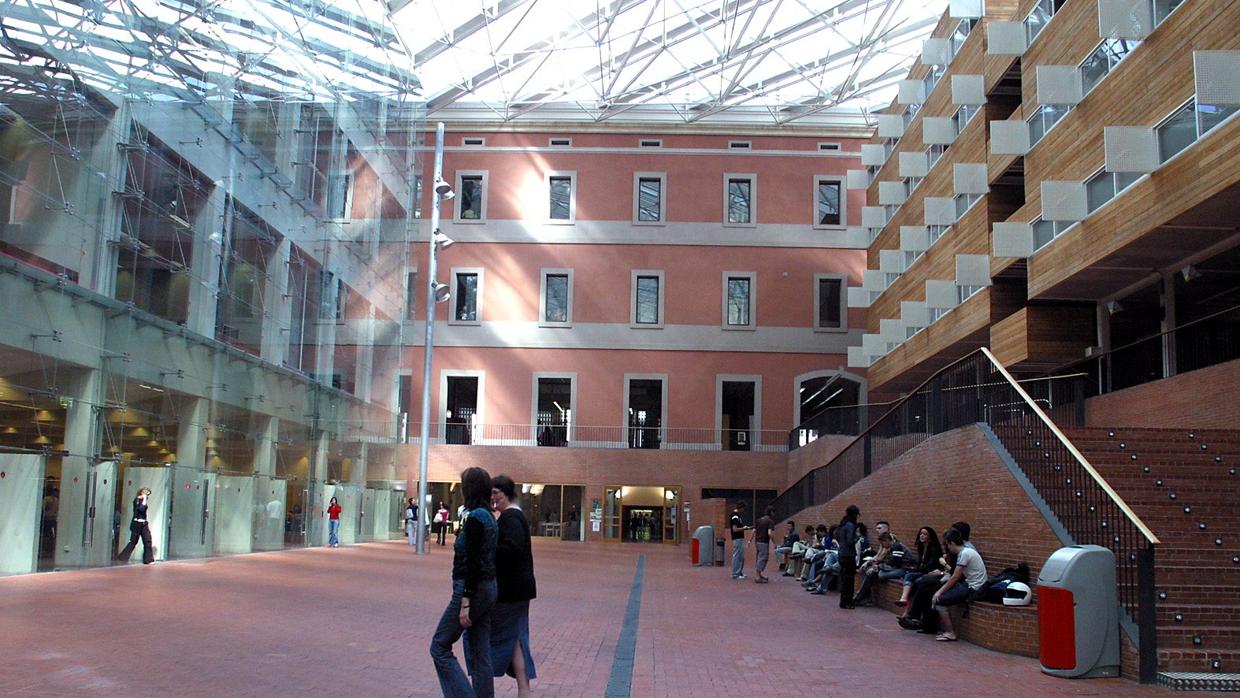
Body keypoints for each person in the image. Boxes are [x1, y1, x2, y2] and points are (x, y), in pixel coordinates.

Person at [430, 467, 498, 697]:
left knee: (439, 646)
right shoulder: (488, 516)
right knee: (481, 652)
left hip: (472, 590)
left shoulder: (477, 518)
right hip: (488, 589)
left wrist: (465, 600)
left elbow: (473, 563)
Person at [489, 475, 537, 697]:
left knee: (511, 637)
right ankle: (523, 687)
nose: (493, 497)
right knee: (516, 637)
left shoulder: (511, 518)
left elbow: (513, 550)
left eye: (496, 492)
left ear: (506, 493)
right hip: (517, 589)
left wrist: (488, 546)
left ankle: (524, 687)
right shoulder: (512, 516)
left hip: (511, 590)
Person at [931, 528, 988, 642]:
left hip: (974, 587)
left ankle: (950, 632)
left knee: (939, 600)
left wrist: (939, 592)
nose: (948, 549)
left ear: (951, 543)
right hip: (971, 583)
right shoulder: (968, 551)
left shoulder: (964, 554)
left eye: (947, 545)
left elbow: (955, 577)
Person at [897, 526, 944, 607]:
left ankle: (910, 610)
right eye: (921, 534)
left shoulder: (934, 549)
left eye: (925, 534)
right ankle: (903, 599)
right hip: (922, 571)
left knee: (916, 582)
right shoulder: (921, 547)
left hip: (930, 573)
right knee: (908, 575)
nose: (922, 536)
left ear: (930, 537)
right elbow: (920, 563)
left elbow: (930, 566)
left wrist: (917, 569)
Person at [117, 487, 155, 565]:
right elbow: (141, 509)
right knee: (133, 541)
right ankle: (123, 557)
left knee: (147, 540)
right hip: (137, 523)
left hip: (144, 523)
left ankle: (148, 559)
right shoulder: (137, 500)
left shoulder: (144, 500)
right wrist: (144, 499)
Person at [835, 504, 860, 609]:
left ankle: (843, 601)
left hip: (841, 553)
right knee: (849, 579)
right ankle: (848, 602)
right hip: (848, 555)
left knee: (844, 578)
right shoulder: (850, 525)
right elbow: (850, 541)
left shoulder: (842, 524)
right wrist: (857, 536)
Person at [729, 501, 752, 580]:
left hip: (739, 538)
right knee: (737, 555)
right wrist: (744, 528)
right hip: (737, 538)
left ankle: (739, 572)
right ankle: (736, 573)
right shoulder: (735, 516)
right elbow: (734, 529)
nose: (744, 511)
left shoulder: (737, 516)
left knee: (740, 556)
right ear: (741, 508)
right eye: (744, 509)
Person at [753, 506, 776, 584]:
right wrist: (774, 543)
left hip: (757, 541)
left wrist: (750, 540)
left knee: (759, 557)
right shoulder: (770, 521)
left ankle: (759, 574)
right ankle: (758, 576)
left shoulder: (759, 520)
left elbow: (754, 531)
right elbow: (769, 533)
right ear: (771, 512)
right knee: (763, 558)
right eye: (773, 512)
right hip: (764, 541)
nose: (774, 514)